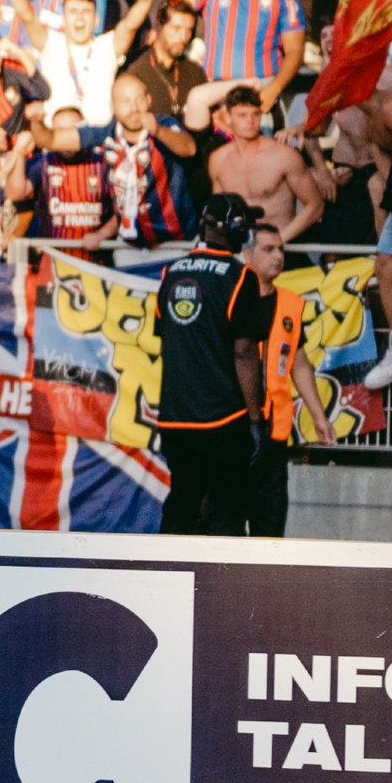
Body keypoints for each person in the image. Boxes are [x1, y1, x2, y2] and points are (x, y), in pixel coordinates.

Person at [149, 192, 278, 535]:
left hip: (175, 420)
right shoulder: (241, 278)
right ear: (234, 228)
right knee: (227, 509)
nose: (248, 230)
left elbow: (166, 344)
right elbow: (244, 352)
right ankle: (222, 588)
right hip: (223, 419)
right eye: (246, 224)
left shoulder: (171, 273)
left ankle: (163, 580)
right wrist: (255, 419)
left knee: (182, 504)